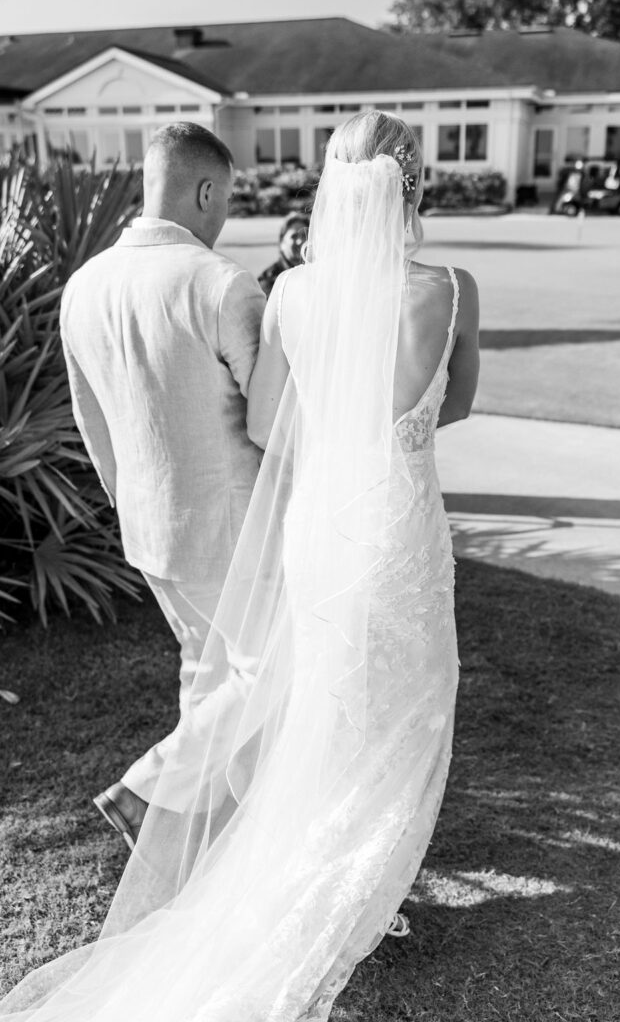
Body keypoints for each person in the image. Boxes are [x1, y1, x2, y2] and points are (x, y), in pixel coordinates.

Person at [0, 111, 479, 1022]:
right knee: (383, 707)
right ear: (413, 188)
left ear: (333, 192)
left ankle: (227, 838)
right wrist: (392, 426)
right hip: (392, 519)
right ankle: (302, 861)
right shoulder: (447, 288)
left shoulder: (282, 291)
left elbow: (263, 425)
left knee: (290, 697)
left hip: (252, 526)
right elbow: (452, 403)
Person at [58, 122, 266, 847]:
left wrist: (131, 507)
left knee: (208, 681)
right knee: (272, 673)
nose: (225, 215)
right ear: (206, 189)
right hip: (233, 528)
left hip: (149, 529)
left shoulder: (83, 288)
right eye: (227, 198)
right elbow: (271, 416)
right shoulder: (220, 283)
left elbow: (94, 426)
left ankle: (208, 837)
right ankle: (146, 790)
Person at [258, 211, 310, 296]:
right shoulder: (268, 281)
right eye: (294, 236)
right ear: (282, 243)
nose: (300, 241)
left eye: (304, 235)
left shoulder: (316, 273)